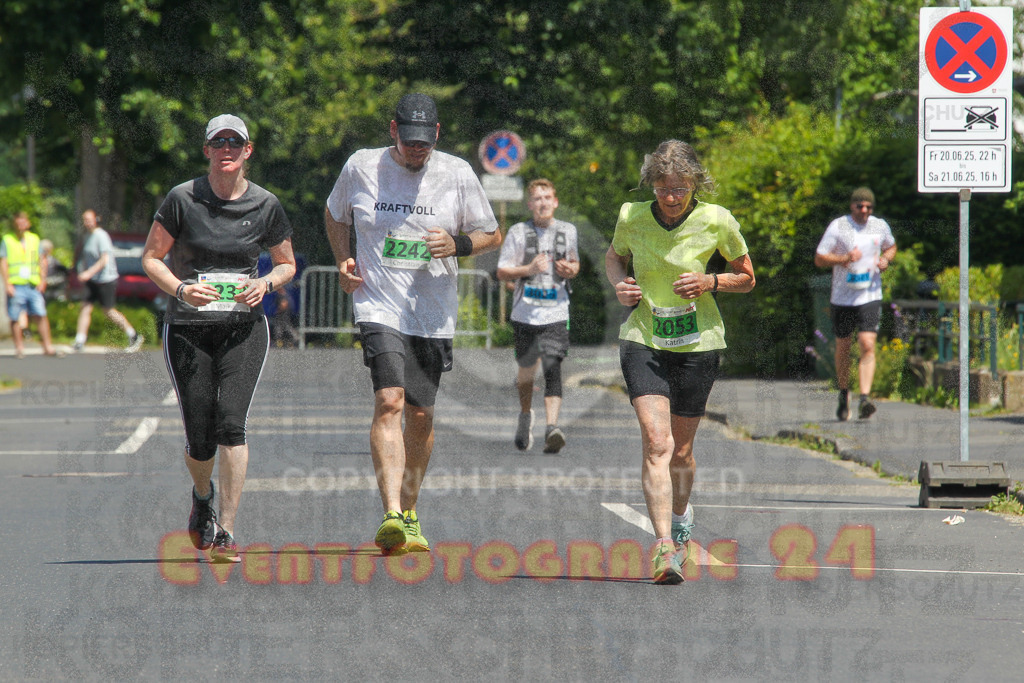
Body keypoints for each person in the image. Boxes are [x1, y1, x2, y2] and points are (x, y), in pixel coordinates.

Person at [325, 93, 501, 554]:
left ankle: (409, 510)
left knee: (421, 416)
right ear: (392, 131)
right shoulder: (361, 167)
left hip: (432, 311)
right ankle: (389, 515)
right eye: (408, 143)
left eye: (424, 143)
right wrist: (344, 259)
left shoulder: (457, 173)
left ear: (436, 135)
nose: (416, 151)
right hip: (378, 305)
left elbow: (491, 233)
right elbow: (334, 214)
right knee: (390, 400)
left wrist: (459, 244)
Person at [142, 114, 296, 563]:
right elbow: (152, 257)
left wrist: (266, 283)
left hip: (243, 327)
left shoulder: (266, 204)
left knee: (232, 423)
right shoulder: (182, 198)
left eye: (235, 142)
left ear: (248, 151)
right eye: (218, 142)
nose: (227, 149)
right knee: (200, 433)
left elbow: (286, 264)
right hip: (188, 327)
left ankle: (226, 530)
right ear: (207, 150)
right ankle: (202, 494)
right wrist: (182, 288)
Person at [604, 140, 755, 584]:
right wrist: (620, 285)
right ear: (651, 186)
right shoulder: (631, 216)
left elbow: (747, 277)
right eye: (663, 188)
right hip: (643, 338)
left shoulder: (717, 219)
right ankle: (664, 547)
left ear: (695, 185)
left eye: (680, 189)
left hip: (698, 343)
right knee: (657, 442)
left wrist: (710, 280)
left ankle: (682, 514)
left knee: (682, 452)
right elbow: (615, 257)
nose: (671, 198)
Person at [496, 178, 579, 453]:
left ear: (555, 202)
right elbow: (503, 272)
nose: (543, 203)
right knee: (527, 374)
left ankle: (552, 427)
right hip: (525, 314)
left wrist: (570, 269)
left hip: (556, 311)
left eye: (547, 198)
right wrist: (528, 268)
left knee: (553, 366)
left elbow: (574, 263)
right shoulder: (519, 233)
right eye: (537, 199)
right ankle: (525, 415)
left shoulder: (568, 231)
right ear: (530, 204)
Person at [814, 187, 896, 422]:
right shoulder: (839, 226)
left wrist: (885, 259)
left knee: (867, 343)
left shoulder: (879, 226)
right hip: (842, 296)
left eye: (868, 207)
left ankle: (865, 398)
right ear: (852, 206)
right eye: (860, 206)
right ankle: (843, 393)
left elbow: (891, 246)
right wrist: (844, 259)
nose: (864, 210)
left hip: (870, 294)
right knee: (843, 346)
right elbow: (819, 257)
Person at [73, 210, 144, 352]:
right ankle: (79, 340)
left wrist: (88, 273)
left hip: (106, 279)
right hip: (93, 280)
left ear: (96, 219)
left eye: (89, 219)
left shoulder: (101, 236)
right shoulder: (87, 236)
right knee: (85, 307)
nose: (87, 222)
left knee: (109, 311)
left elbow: (104, 260)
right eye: (84, 219)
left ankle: (133, 335)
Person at [1, 211, 60, 358]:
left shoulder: (34, 239)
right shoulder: (7, 240)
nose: (21, 225)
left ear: (28, 223)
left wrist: (42, 279)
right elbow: (4, 262)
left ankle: (48, 347)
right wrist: (7, 283)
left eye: (23, 222)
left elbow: (41, 259)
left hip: (33, 284)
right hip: (16, 284)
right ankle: (19, 348)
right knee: (15, 316)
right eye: (18, 222)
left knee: (40, 314)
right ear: (14, 223)